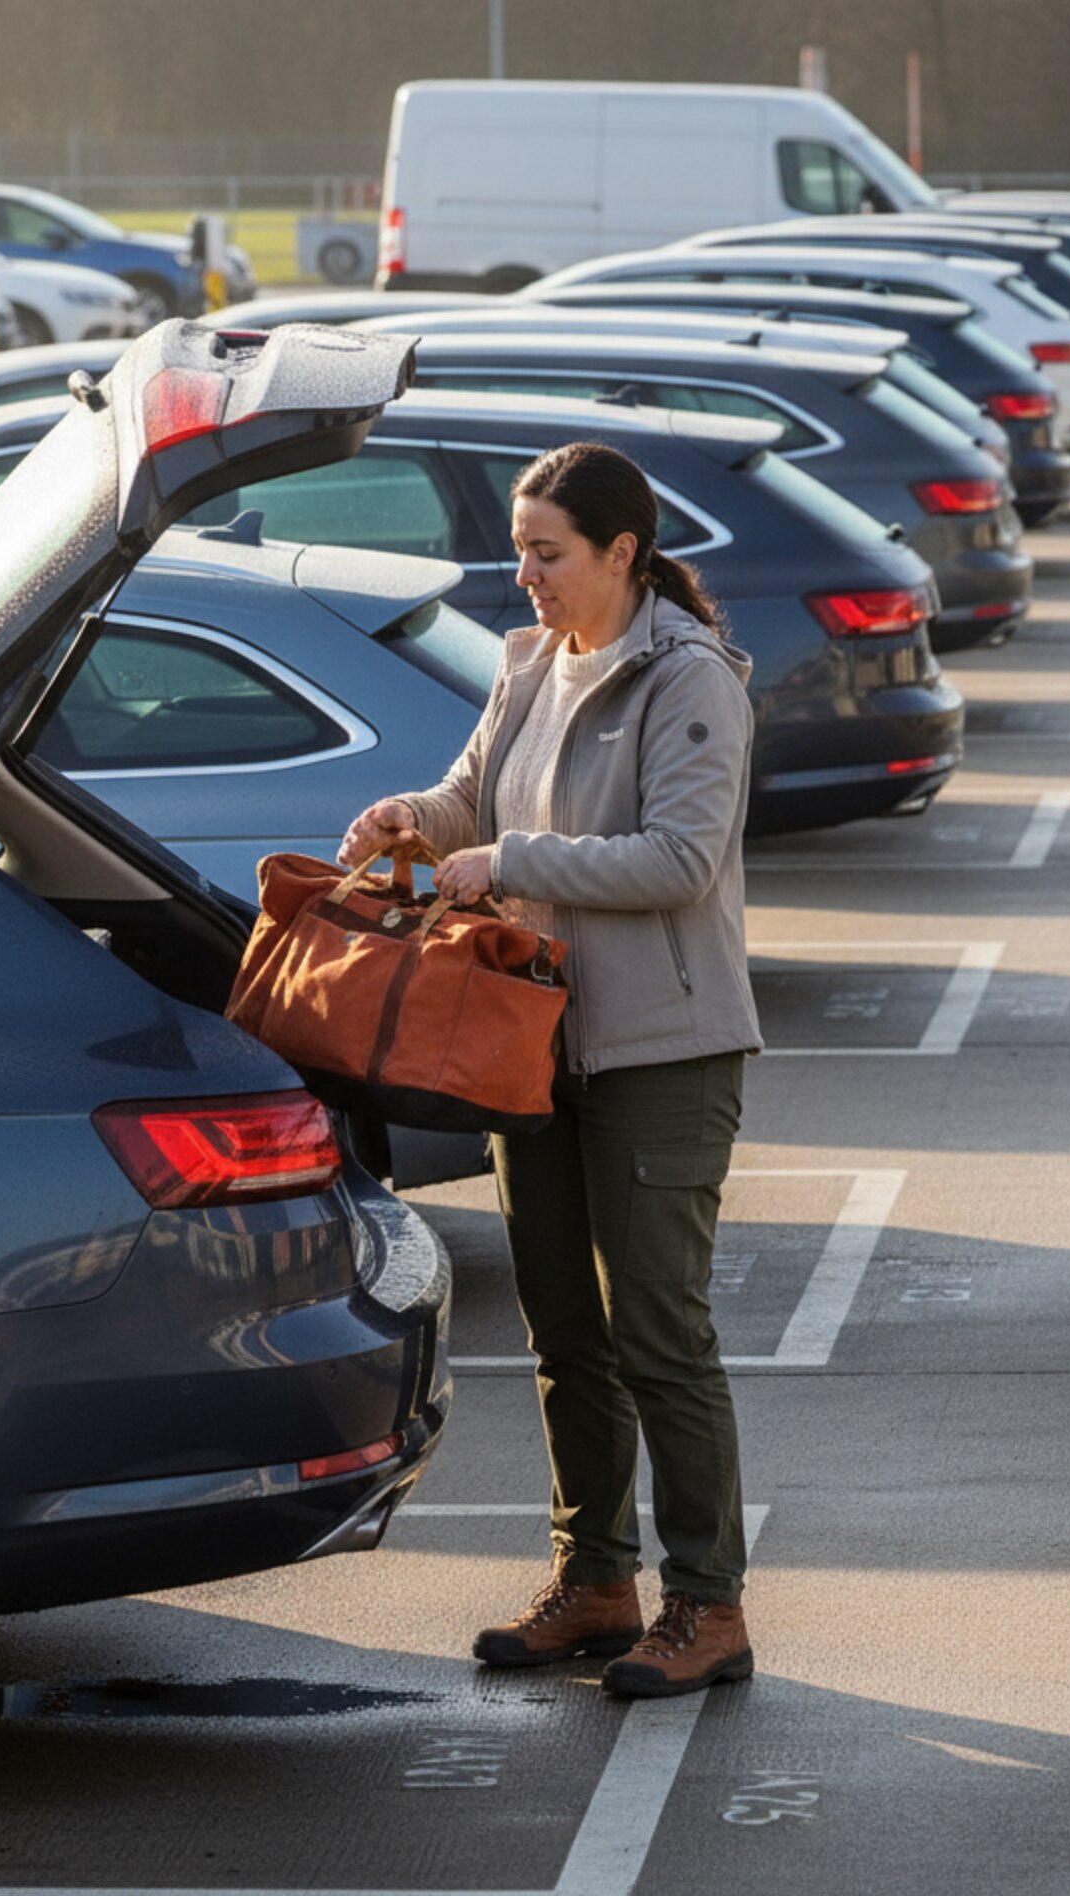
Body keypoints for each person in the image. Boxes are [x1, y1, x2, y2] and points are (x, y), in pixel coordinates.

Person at [337, 440, 762, 1699]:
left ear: (620, 553)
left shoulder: (689, 681)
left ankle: (707, 1603)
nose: (520, 573)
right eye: (518, 548)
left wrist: (510, 859)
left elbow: (677, 858)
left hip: (662, 1050)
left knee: (658, 1331)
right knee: (563, 1330)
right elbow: (473, 796)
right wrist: (415, 817)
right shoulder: (528, 663)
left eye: (545, 551)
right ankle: (595, 1582)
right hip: (534, 1045)